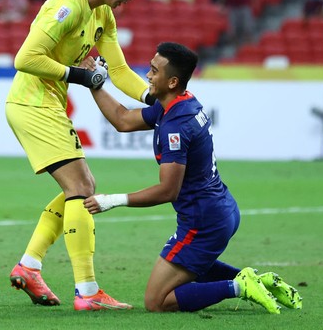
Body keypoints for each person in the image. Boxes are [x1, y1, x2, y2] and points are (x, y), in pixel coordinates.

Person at [84, 42, 303, 313]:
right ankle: (258, 281)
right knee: (191, 265)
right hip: (220, 209)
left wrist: (111, 200)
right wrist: (95, 85)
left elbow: (168, 191)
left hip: (203, 221)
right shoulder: (179, 103)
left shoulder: (175, 126)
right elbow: (124, 119)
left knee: (156, 301)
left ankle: (239, 286)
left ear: (172, 81)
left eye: (154, 71)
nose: (148, 76)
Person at [5, 0, 155, 311]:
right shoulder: (67, 6)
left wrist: (156, 98)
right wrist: (79, 76)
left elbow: (118, 71)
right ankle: (87, 292)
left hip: (48, 104)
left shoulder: (103, 14)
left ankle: (30, 265)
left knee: (82, 187)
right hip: (32, 104)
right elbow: (24, 58)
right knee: (82, 187)